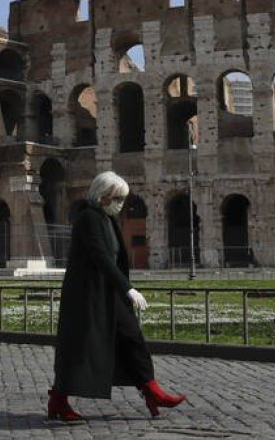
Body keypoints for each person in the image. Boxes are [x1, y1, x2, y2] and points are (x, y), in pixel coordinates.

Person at [48, 171, 186, 423]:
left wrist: (122, 287)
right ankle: (58, 399)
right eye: (117, 197)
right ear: (103, 196)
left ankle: (152, 391)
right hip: (88, 295)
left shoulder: (107, 218)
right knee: (80, 349)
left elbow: (114, 258)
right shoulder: (88, 218)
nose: (121, 202)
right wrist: (128, 288)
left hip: (108, 291)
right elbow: (100, 256)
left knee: (132, 337)